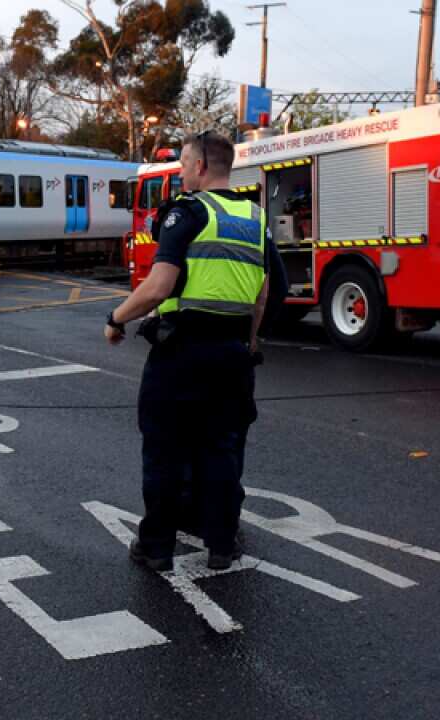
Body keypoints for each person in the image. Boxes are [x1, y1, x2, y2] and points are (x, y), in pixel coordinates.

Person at [103, 130, 279, 572]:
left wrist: (116, 318)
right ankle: (221, 545)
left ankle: (157, 548)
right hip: (233, 355)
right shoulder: (255, 218)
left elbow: (159, 286)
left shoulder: (187, 212)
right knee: (222, 448)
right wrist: (251, 340)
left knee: (164, 449)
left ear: (201, 166)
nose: (181, 171)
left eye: (183, 163)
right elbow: (265, 292)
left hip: (181, 352)